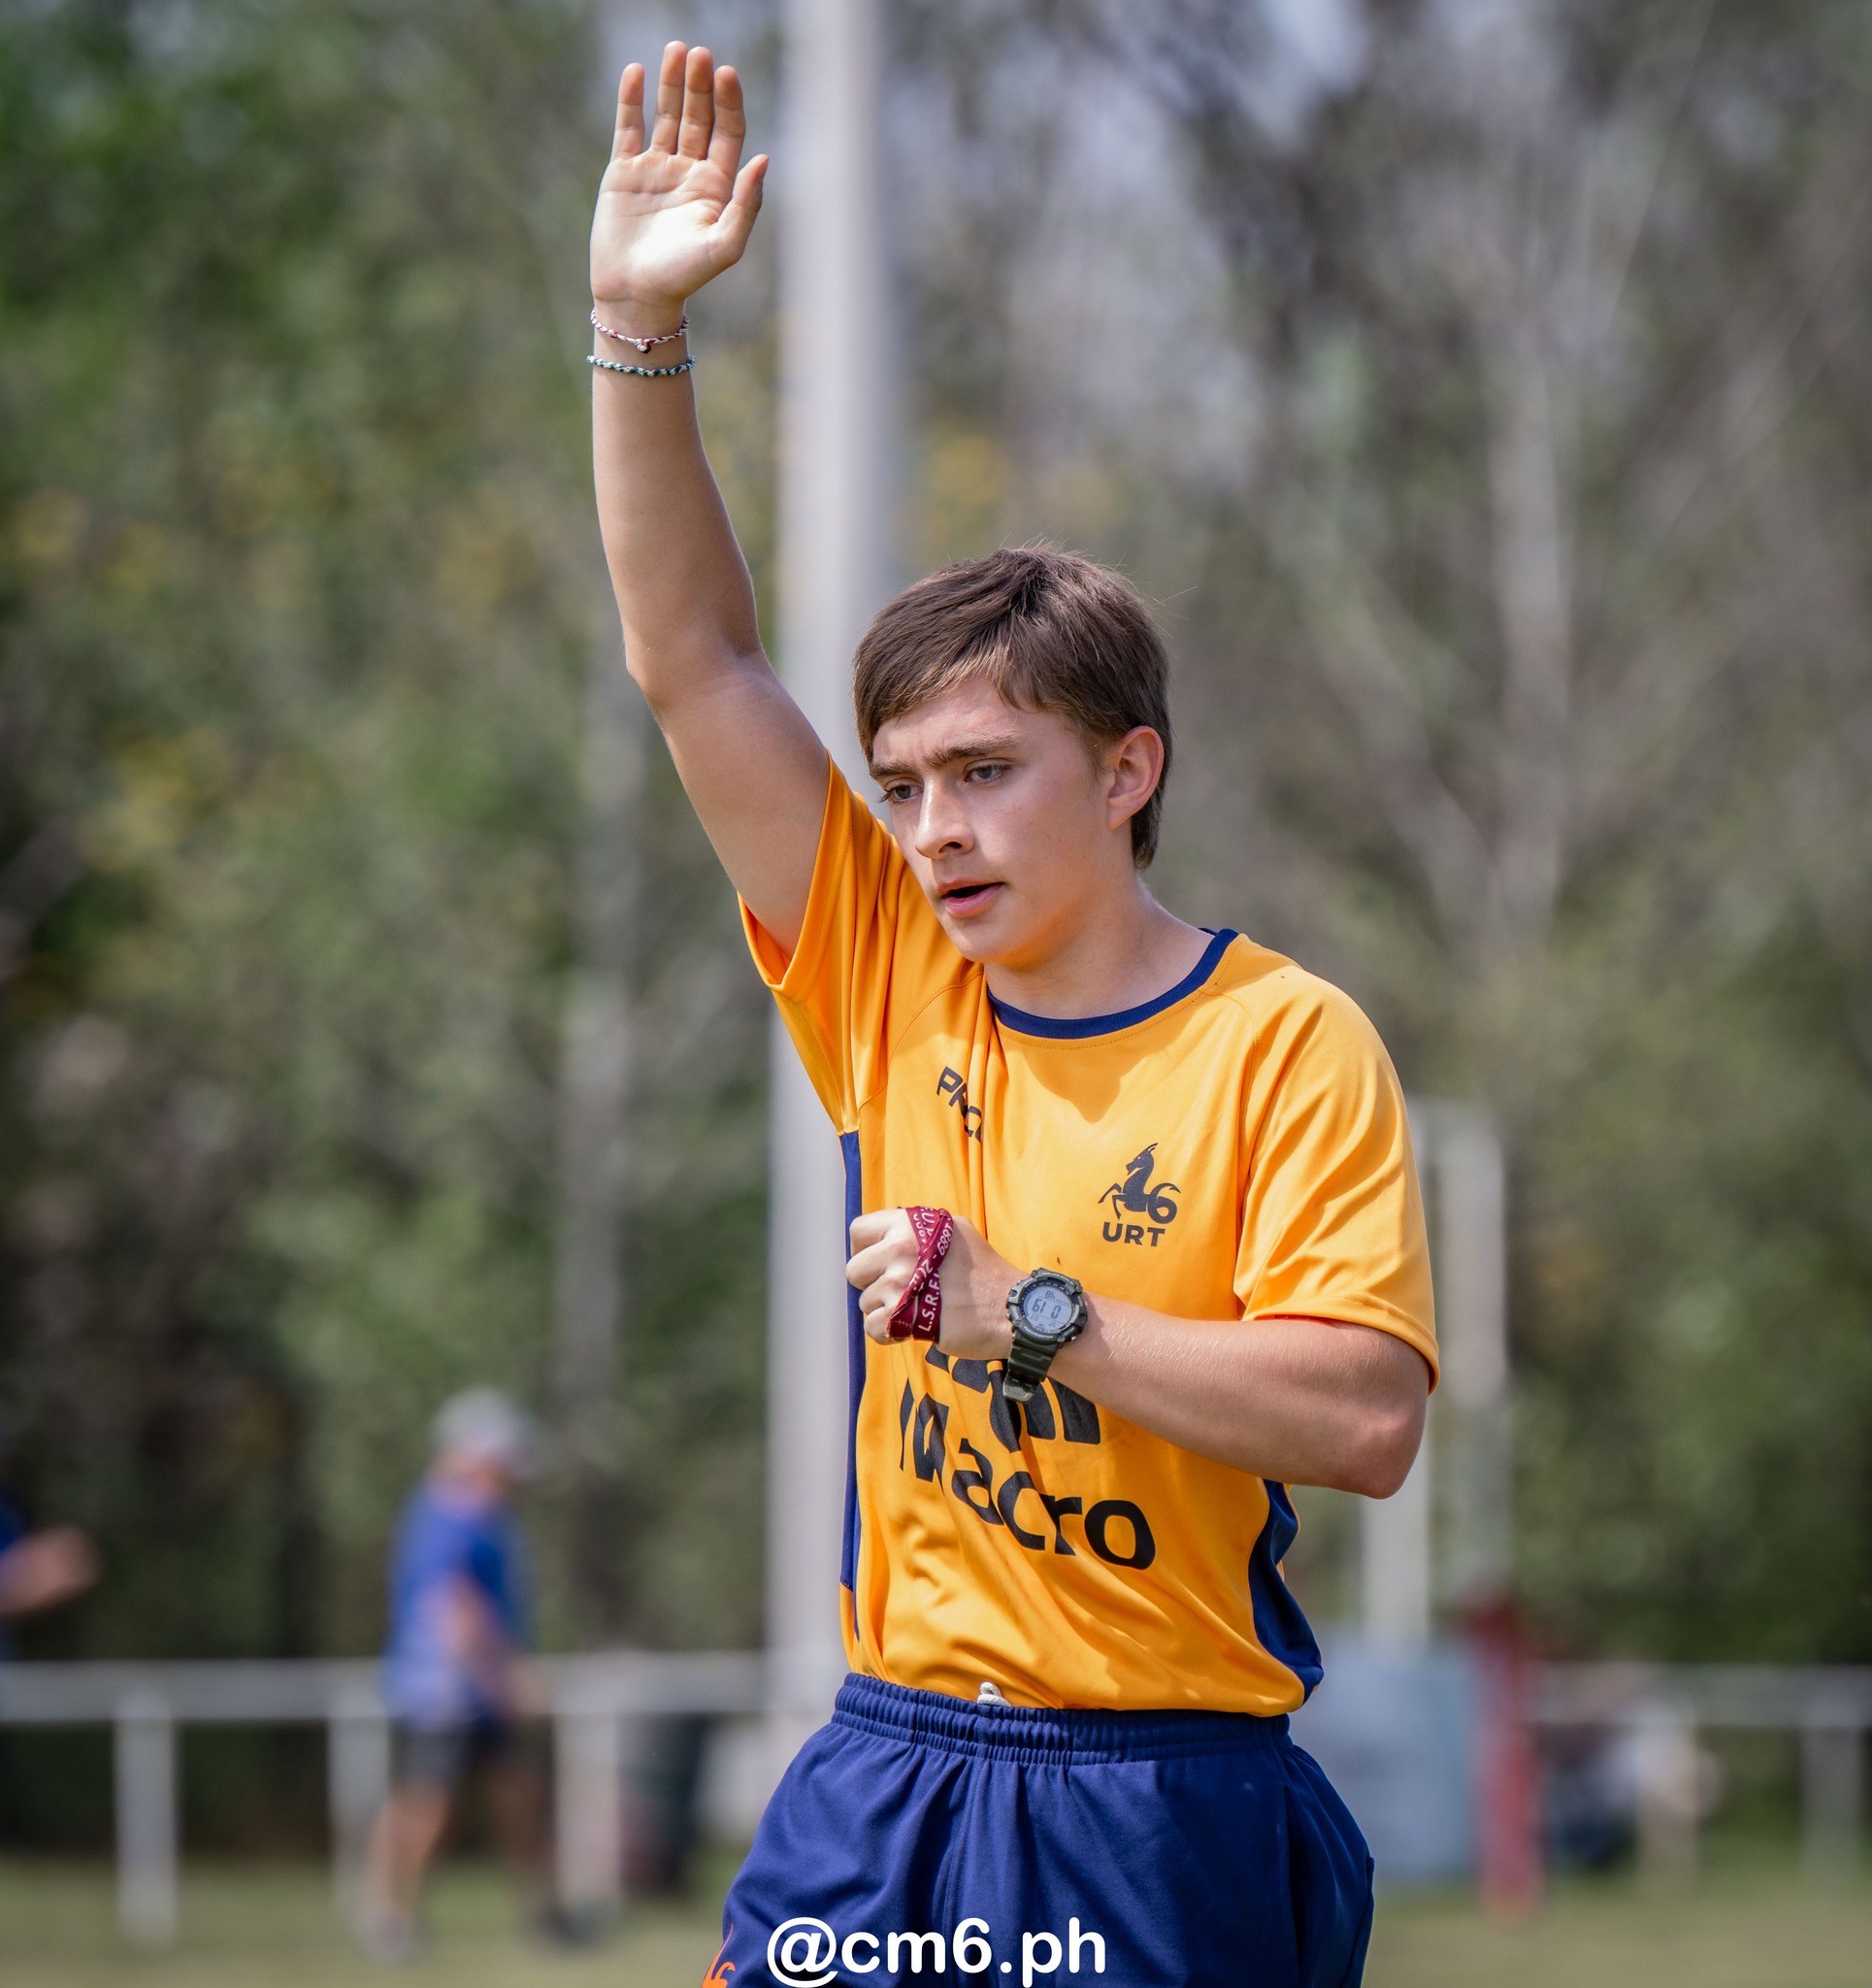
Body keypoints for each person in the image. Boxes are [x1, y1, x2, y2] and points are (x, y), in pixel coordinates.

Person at [588, 44, 1438, 1987]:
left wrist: (1022, 1316)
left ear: (1126, 765)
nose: (932, 827)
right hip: (884, 1771)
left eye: (983, 770)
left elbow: (1365, 1414)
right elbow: (689, 654)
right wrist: (633, 325)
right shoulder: (883, 962)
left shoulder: (1283, 1044)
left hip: (1157, 1797)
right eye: (902, 784)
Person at [357, 1389, 558, 1961]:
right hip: (445, 1693)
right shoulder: (458, 1513)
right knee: (427, 1804)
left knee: (515, 1794)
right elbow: (458, 1609)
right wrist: (504, 1680)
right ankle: (389, 1917)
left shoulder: (462, 1512)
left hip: (465, 1690)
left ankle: (542, 1913)